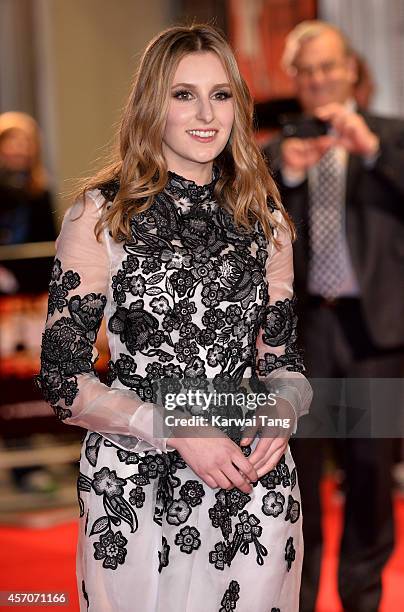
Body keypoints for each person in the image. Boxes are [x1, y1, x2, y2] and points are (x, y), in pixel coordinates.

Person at [37, 24, 312, 612]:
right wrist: (176, 427)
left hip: (251, 483)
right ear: (150, 106)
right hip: (133, 488)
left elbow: (283, 362)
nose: (205, 113)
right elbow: (63, 382)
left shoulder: (266, 218)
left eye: (221, 94)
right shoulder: (101, 215)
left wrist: (285, 409)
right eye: (183, 94)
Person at [265, 20, 404, 612]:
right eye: (306, 70)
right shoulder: (274, 151)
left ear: (351, 69)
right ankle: (295, 597)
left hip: (376, 334)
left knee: (372, 476)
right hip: (300, 336)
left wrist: (372, 154)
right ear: (294, 79)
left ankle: (363, 597)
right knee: (294, 474)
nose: (319, 79)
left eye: (328, 67)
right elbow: (237, 222)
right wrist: (288, 173)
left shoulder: (392, 138)